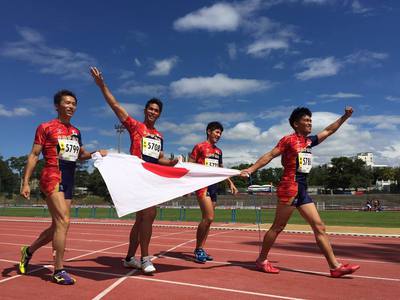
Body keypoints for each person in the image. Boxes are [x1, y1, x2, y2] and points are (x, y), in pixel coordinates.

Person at [241, 107, 360, 278]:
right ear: (296, 124)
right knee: (278, 227)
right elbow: (270, 155)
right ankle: (261, 260)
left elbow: (329, 130)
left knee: (319, 226)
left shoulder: (309, 141)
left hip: (302, 189)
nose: (310, 122)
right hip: (290, 187)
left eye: (311, 120)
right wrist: (251, 169)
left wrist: (345, 117)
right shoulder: (288, 140)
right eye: (306, 120)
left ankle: (335, 266)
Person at [90, 66, 178, 273]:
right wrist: (102, 85)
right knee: (149, 214)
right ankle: (146, 258)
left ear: (159, 114)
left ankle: (130, 257)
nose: (153, 112)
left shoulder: (159, 136)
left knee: (142, 219)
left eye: (157, 110)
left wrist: (171, 164)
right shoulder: (135, 126)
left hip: (152, 176)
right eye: (150, 109)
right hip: (136, 175)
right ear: (145, 110)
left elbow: (159, 159)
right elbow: (115, 105)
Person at [20, 90, 107, 285]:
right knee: (64, 221)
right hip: (51, 176)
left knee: (58, 226)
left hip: (69, 180)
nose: (71, 106)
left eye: (74, 104)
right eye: (67, 103)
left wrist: (96, 153)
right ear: (57, 106)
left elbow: (81, 155)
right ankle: (58, 270)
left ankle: (29, 251)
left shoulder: (76, 132)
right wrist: (25, 182)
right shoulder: (45, 127)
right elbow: (34, 155)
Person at [189, 121, 238, 263]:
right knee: (209, 217)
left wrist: (231, 183)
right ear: (209, 131)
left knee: (208, 221)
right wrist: (188, 184)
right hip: (201, 185)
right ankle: (198, 249)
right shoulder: (199, 147)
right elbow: (190, 165)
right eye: (217, 132)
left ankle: (201, 249)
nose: (219, 135)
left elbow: (221, 169)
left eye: (220, 133)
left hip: (213, 186)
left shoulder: (218, 152)